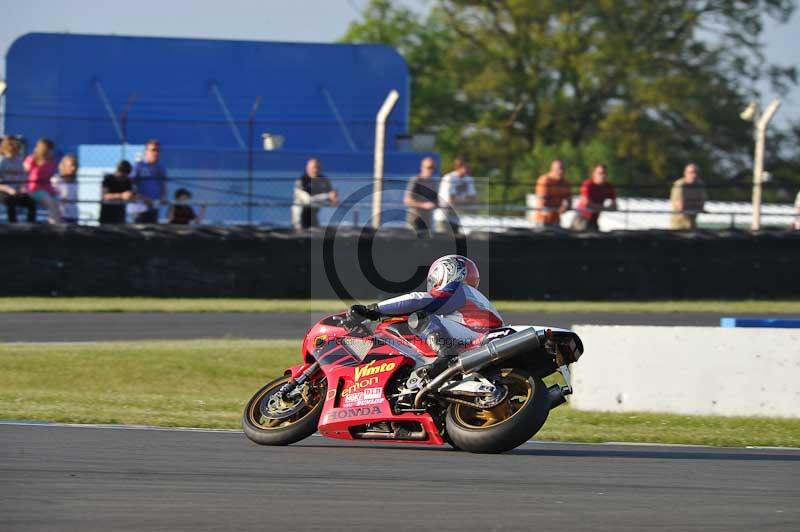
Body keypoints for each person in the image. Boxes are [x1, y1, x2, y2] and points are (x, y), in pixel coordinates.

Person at [348, 255, 503, 379]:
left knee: (420, 318)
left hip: (479, 334)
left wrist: (372, 310)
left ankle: (446, 355)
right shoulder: (471, 297)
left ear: (446, 271)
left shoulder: (458, 289)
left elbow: (418, 300)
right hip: (485, 336)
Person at [293, 158, 338, 229]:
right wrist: (327, 196)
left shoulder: (324, 180)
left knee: (316, 233)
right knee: (301, 232)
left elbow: (332, 197)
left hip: (314, 213)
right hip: (301, 212)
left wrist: (334, 199)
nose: (315, 170)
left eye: (318, 167)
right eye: (313, 168)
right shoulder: (302, 180)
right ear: (307, 168)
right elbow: (308, 199)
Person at [23, 138, 61, 223]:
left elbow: (51, 177)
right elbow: (22, 173)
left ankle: (57, 224)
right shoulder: (32, 159)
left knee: (57, 202)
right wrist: (22, 187)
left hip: (48, 189)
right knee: (49, 202)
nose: (52, 151)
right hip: (34, 189)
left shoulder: (52, 162)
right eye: (50, 149)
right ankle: (56, 228)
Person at [434, 157, 476, 233]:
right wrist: (466, 201)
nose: (469, 168)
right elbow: (451, 200)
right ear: (459, 167)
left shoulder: (468, 179)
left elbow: (473, 199)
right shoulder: (449, 178)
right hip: (443, 217)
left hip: (456, 218)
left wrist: (460, 201)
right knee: (442, 241)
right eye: (466, 166)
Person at [0, 136, 36, 223]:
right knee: (10, 202)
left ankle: (30, 227)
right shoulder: (2, 161)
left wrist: (22, 188)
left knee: (31, 203)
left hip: (17, 191)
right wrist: (9, 190)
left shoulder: (19, 161)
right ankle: (12, 226)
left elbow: (23, 178)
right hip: (4, 192)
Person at [130, 139, 167, 223]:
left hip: (154, 209)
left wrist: (163, 197)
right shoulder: (138, 166)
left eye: (158, 150)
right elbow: (130, 186)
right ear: (146, 152)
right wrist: (143, 198)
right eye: (153, 150)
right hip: (139, 211)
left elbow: (163, 185)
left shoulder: (161, 168)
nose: (156, 153)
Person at [572, 164, 617, 231]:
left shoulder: (608, 187)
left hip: (594, 220)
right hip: (582, 218)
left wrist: (607, 207)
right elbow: (586, 204)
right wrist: (604, 208)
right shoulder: (588, 184)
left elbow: (614, 206)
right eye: (600, 173)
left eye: (605, 173)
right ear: (594, 174)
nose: (603, 176)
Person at [403, 157, 439, 235]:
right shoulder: (416, 180)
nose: (431, 170)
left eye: (433, 168)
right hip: (415, 219)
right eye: (429, 168)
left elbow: (436, 201)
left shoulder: (433, 183)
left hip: (428, 220)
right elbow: (407, 200)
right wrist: (424, 205)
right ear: (422, 168)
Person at [534, 160, 571, 227]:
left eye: (562, 169)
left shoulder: (564, 183)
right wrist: (558, 207)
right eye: (558, 169)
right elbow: (542, 200)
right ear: (552, 169)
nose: (561, 171)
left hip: (556, 221)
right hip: (543, 220)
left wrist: (566, 206)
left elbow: (568, 199)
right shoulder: (544, 180)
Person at [670, 163, 707, 230]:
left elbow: (702, 205)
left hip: (692, 225)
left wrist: (688, 203)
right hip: (678, 226)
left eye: (696, 172)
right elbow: (680, 206)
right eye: (691, 172)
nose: (694, 175)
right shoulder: (679, 184)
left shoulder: (699, 184)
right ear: (685, 173)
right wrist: (695, 204)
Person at [51, 154, 80, 224]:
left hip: (73, 215)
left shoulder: (76, 181)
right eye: (71, 165)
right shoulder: (56, 179)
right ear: (64, 166)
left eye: (75, 165)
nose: (73, 168)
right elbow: (51, 197)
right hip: (59, 216)